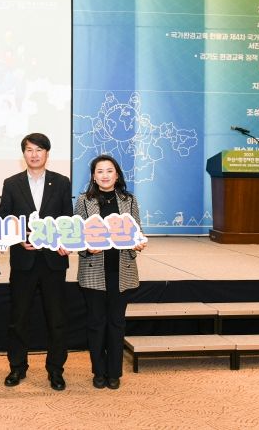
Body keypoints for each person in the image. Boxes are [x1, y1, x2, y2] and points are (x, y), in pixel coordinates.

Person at [0, 132, 72, 390]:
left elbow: (67, 218)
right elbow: (4, 219)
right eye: (29, 150)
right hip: (24, 260)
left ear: (47, 153)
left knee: (57, 319)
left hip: (53, 261)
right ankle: (17, 368)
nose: (34, 154)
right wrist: (18, 239)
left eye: (39, 149)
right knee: (18, 318)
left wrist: (66, 241)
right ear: (24, 154)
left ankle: (56, 370)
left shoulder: (61, 182)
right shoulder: (11, 183)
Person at [74, 154, 146, 390]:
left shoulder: (129, 200)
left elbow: (137, 230)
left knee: (116, 323)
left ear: (117, 175)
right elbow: (77, 234)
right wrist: (86, 247)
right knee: (96, 324)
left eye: (109, 171)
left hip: (121, 270)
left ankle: (114, 372)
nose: (104, 175)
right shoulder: (84, 200)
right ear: (93, 177)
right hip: (94, 270)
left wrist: (138, 242)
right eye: (99, 171)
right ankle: (98, 371)